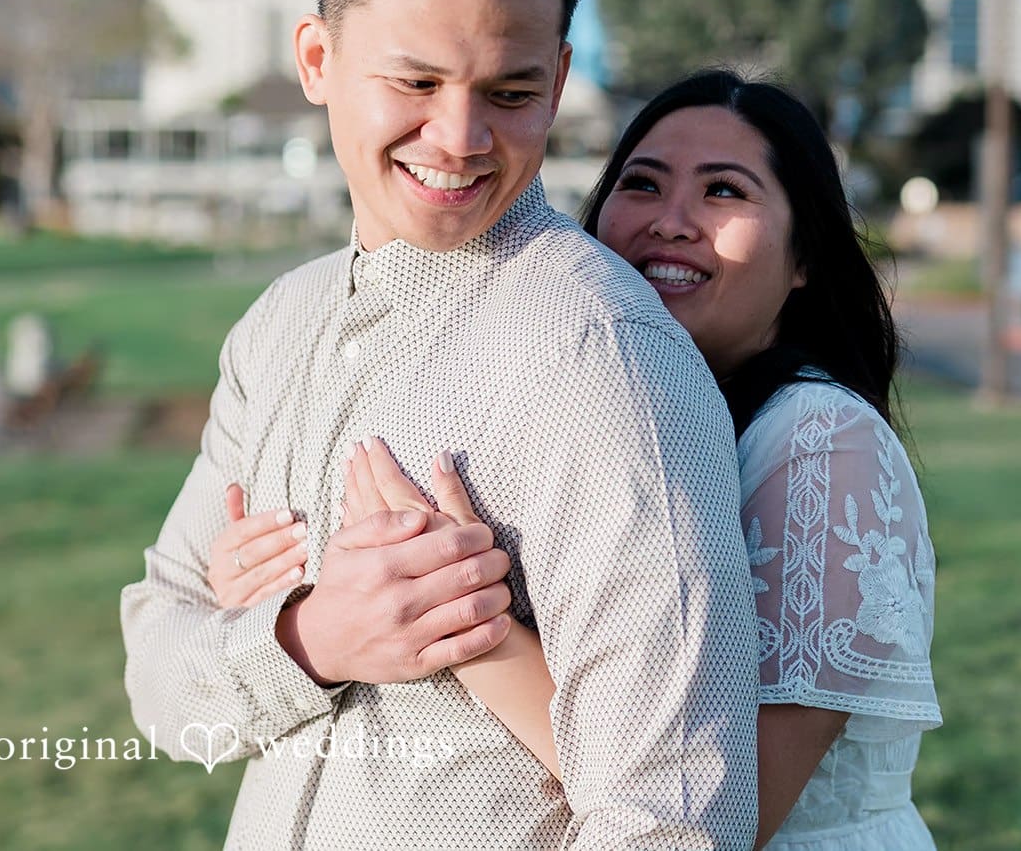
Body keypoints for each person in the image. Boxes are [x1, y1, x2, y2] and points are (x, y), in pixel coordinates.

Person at [120, 0, 761, 849]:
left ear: (557, 81)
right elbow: (162, 685)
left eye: (509, 91)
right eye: (415, 80)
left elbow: (675, 814)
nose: (460, 136)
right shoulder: (276, 328)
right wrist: (308, 636)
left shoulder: (602, 358)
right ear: (318, 60)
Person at [214, 71, 942, 848]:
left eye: (724, 191)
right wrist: (286, 583)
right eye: (642, 183)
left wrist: (462, 608)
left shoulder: (819, 445)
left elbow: (730, 804)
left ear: (804, 256)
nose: (672, 221)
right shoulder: (599, 406)